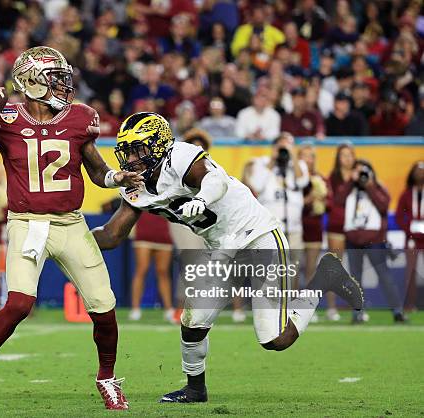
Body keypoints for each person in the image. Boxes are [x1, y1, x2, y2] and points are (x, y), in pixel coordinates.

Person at [92, 112, 363, 403]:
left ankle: (325, 278)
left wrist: (201, 200)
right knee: (193, 319)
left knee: (276, 339)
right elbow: (112, 234)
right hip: (221, 248)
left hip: (257, 236)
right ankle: (195, 389)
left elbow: (215, 180)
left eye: (138, 149)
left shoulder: (180, 156)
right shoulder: (136, 186)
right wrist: (74, 239)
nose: (131, 158)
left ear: (159, 145)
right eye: (127, 151)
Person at [0, 46, 143, 412]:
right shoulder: (6, 118)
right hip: (27, 222)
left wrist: (115, 178)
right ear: (32, 82)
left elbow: (94, 169)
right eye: (56, 79)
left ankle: (107, 378)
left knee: (104, 308)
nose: (64, 86)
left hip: (70, 223)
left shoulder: (80, 118)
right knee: (18, 304)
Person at [344, 159, 405, 323]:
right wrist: (351, 180)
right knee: (355, 279)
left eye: (364, 171)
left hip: (375, 240)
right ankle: (357, 313)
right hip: (353, 238)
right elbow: (337, 200)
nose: (361, 175)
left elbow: (384, 205)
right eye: (357, 171)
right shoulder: (349, 189)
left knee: (384, 276)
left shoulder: (378, 187)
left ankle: (397, 311)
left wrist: (370, 185)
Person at [249, 133, 309, 252]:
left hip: (293, 227)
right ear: (273, 147)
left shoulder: (299, 164)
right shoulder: (263, 162)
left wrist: (293, 156)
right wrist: (273, 159)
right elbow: (257, 185)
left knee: (293, 267)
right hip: (269, 228)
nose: (284, 149)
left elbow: (302, 182)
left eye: (288, 146)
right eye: (280, 146)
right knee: (270, 266)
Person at [299, 144, 329, 323]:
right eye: (304, 156)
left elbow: (329, 202)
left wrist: (321, 201)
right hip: (295, 226)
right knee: (291, 272)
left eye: (311, 156)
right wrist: (307, 200)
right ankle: (289, 307)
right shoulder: (293, 177)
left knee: (311, 271)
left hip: (313, 228)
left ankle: (307, 308)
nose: (307, 160)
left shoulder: (320, 178)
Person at [326, 143, 356, 321]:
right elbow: (336, 200)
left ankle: (357, 308)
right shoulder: (334, 177)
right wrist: (350, 181)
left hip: (357, 227)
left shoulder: (360, 174)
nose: (348, 158)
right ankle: (332, 308)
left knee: (356, 268)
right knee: (334, 268)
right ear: (338, 158)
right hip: (337, 226)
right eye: (344, 155)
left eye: (350, 155)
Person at [129, 212, 175, 323]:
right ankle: (135, 309)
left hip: (164, 233)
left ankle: (169, 310)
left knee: (163, 272)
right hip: (144, 231)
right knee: (142, 269)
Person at [394, 161, 424, 313]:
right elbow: (399, 216)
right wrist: (409, 230)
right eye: (417, 171)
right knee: (410, 272)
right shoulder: (406, 194)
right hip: (412, 238)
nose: (420, 174)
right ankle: (409, 304)